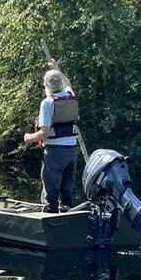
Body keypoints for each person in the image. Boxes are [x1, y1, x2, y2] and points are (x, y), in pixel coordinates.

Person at [23, 63, 80, 213]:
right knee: (66, 190)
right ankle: (71, 217)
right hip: (72, 151)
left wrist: (29, 138)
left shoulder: (48, 102)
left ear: (46, 85)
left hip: (55, 152)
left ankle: (50, 218)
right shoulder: (70, 96)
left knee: (51, 193)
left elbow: (45, 133)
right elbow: (68, 84)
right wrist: (57, 68)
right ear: (60, 82)